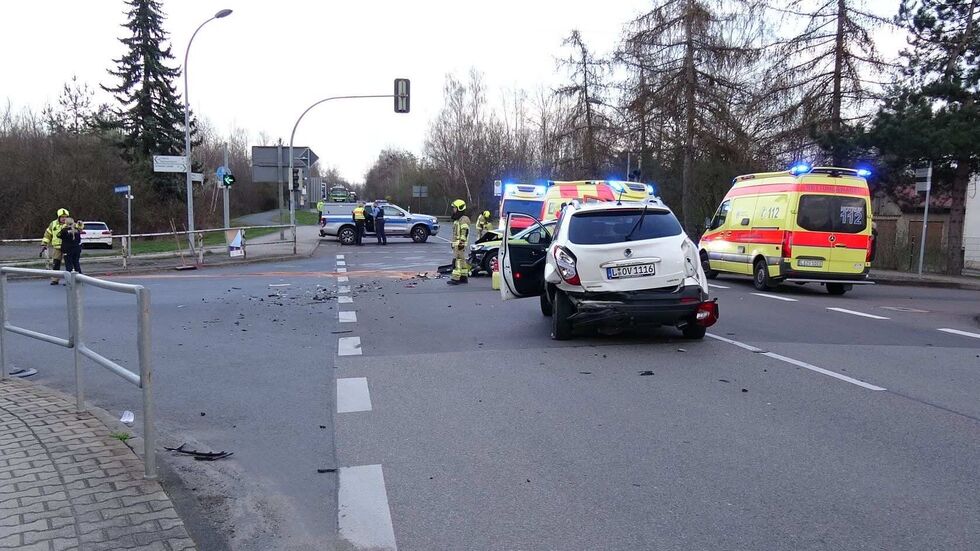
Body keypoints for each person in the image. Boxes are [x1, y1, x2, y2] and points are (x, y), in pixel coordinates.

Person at [40, 208, 71, 285]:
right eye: (62, 217)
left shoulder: (70, 224)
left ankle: (69, 280)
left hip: (67, 247)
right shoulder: (53, 224)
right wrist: (44, 243)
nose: (64, 218)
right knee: (56, 263)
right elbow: (48, 234)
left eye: (65, 217)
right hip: (57, 247)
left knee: (69, 264)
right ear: (59, 217)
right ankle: (55, 279)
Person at [447, 199, 471, 285]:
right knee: (462, 260)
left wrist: (461, 243)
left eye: (455, 208)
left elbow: (464, 231)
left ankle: (456, 278)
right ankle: (464, 277)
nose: (453, 210)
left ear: (459, 208)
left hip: (459, 244)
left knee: (457, 260)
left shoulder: (463, 219)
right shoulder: (458, 219)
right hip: (457, 243)